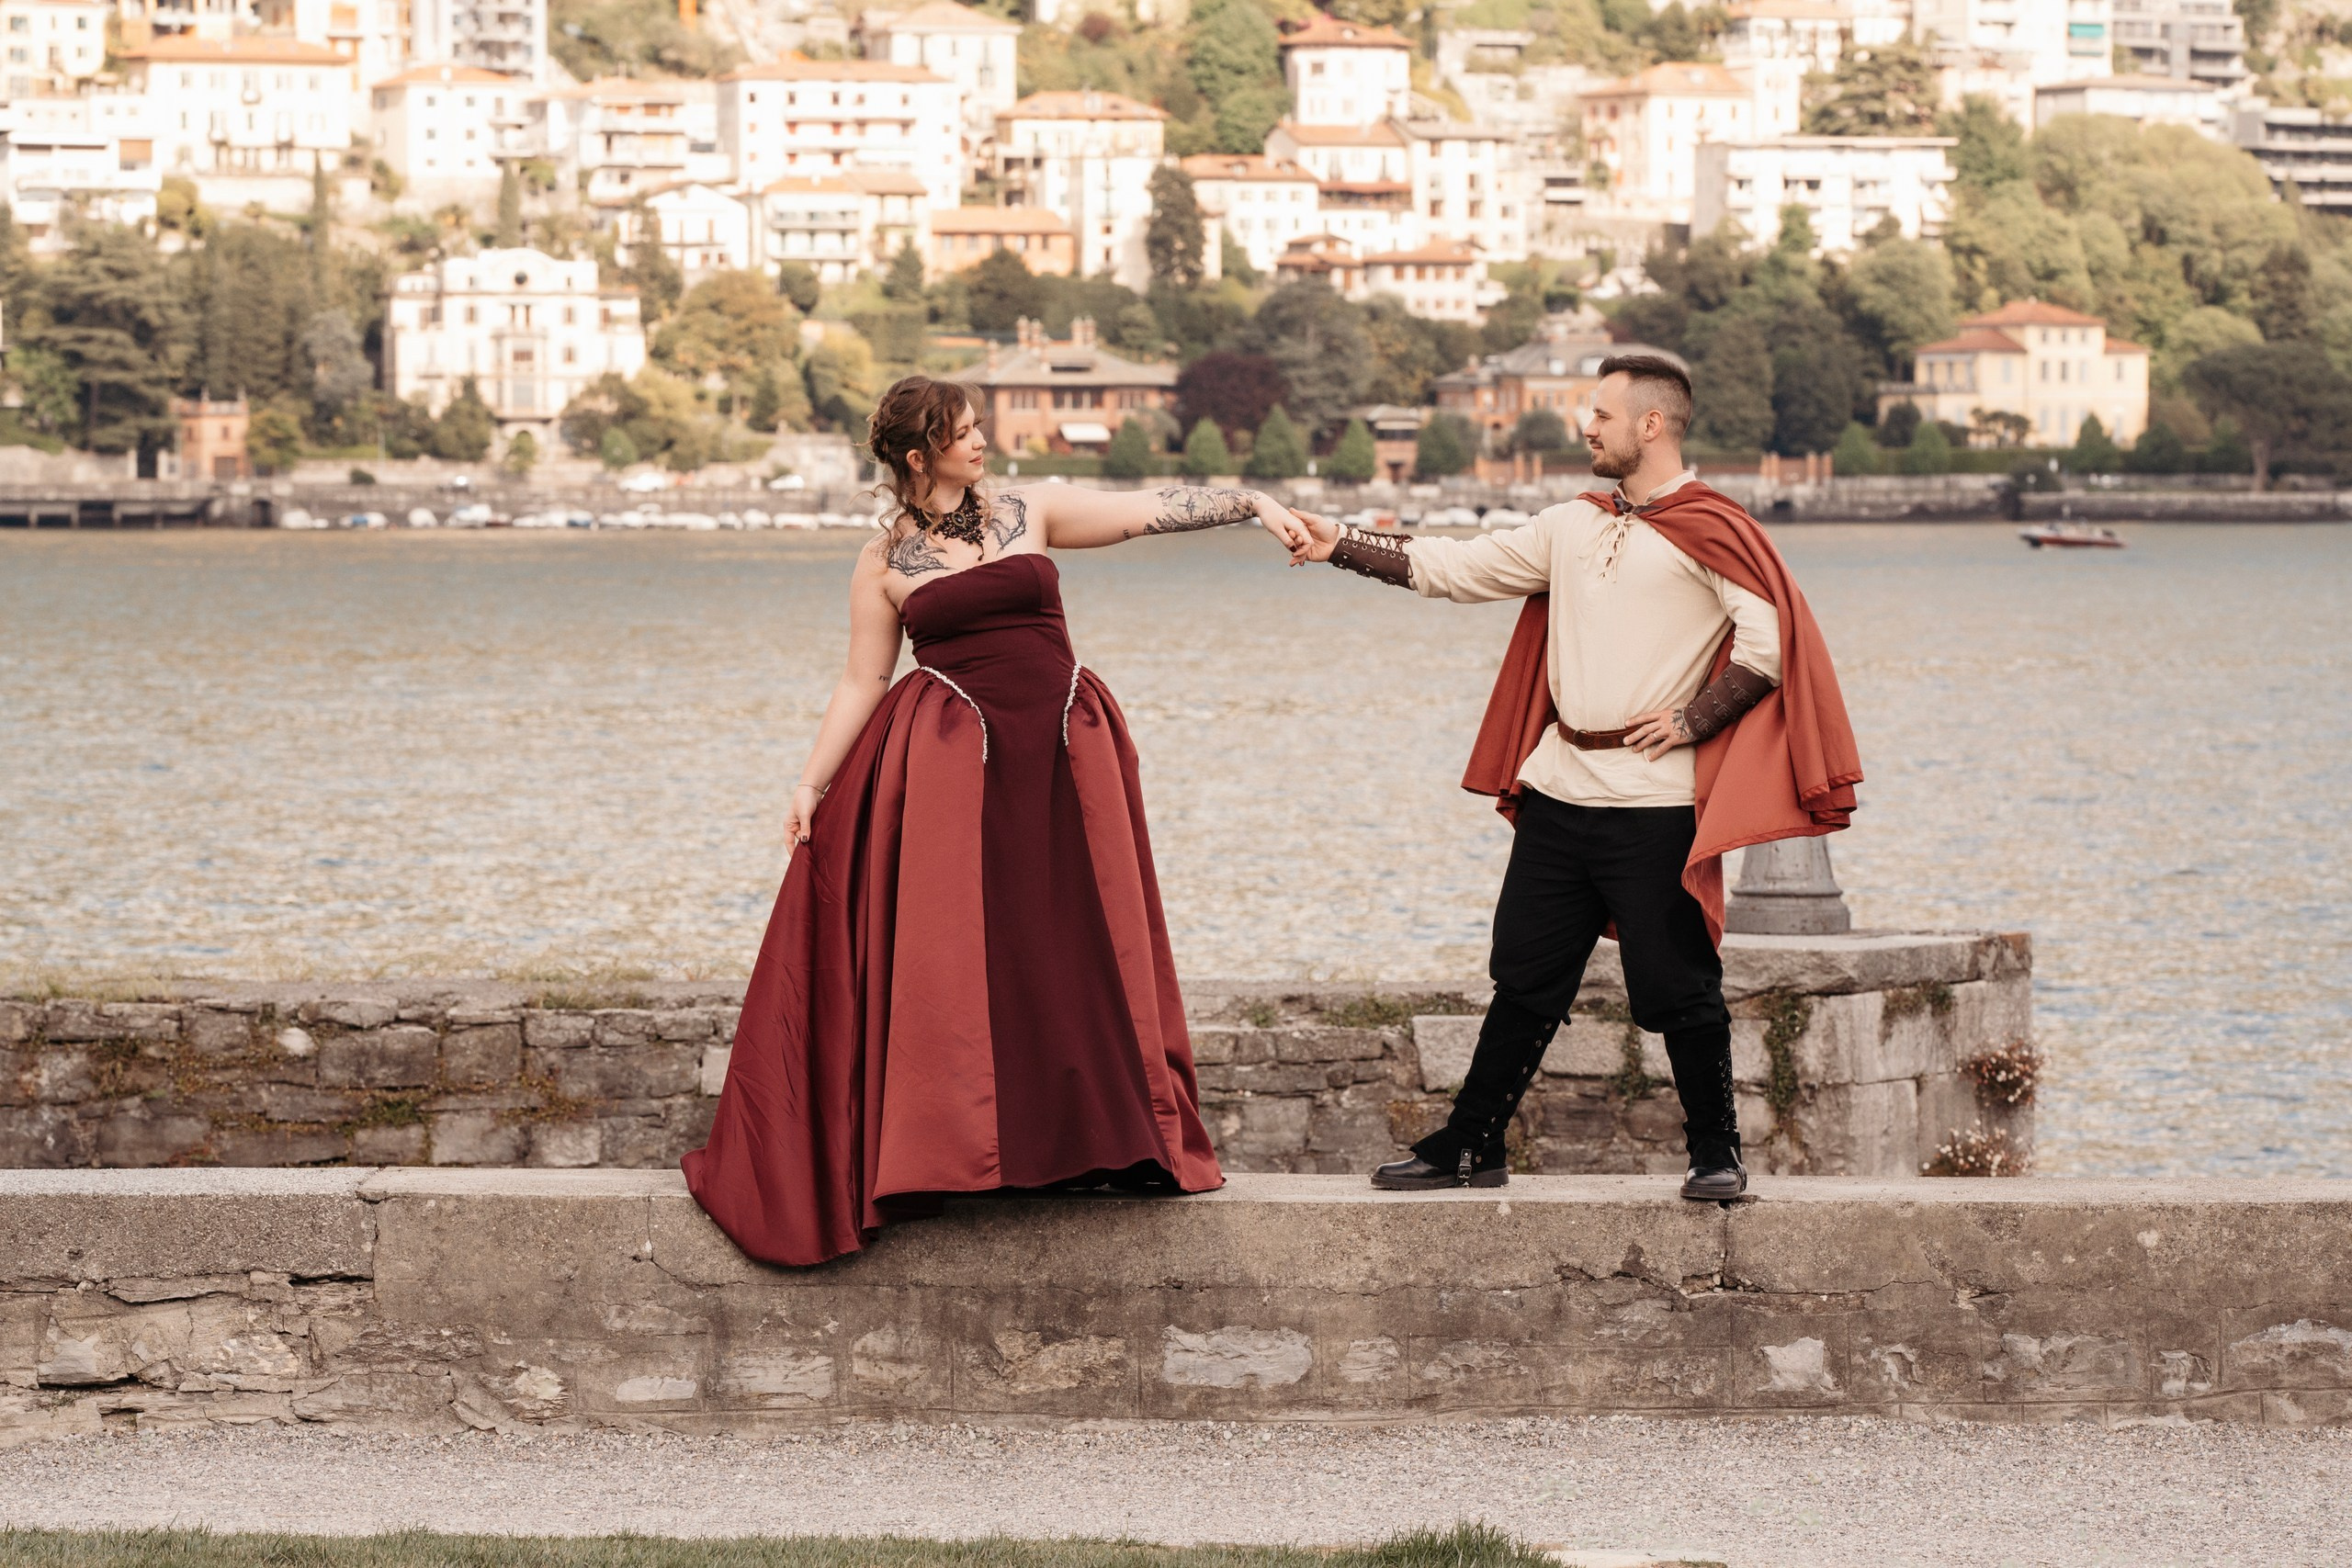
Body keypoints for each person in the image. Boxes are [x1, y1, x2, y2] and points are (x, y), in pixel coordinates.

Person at [684, 375, 1312, 1266]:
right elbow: (862, 679)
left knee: (1074, 941)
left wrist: (1251, 502)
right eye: (964, 432)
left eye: (981, 426)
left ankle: (1099, 1143)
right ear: (916, 454)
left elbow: (1144, 512)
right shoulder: (882, 563)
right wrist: (810, 784)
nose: (983, 442)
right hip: (953, 770)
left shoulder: (1030, 508)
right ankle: (962, 1155)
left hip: (1060, 752)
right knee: (973, 956)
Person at [1286, 355, 1862, 1201]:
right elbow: (1455, 568)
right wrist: (1339, 542)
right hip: (1560, 788)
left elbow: (1771, 643)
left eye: (1600, 414)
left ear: (1652, 425)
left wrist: (1695, 720)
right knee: (1523, 978)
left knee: (1680, 987)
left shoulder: (1713, 528)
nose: (1586, 427)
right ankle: (1470, 1146)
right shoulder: (1571, 523)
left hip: (1654, 801)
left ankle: (1716, 1154)